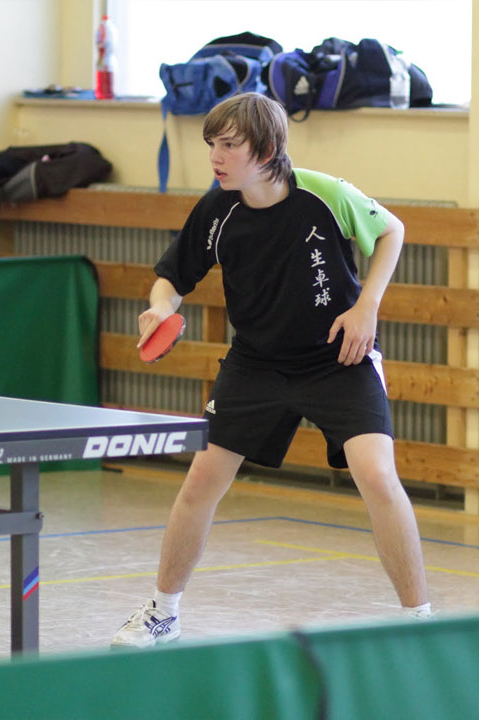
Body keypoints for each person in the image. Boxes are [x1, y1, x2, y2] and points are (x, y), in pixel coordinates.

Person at [112, 92, 430, 649]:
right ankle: (163, 613)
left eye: (228, 145)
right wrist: (161, 307)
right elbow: (172, 278)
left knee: (377, 476)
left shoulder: (324, 194)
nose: (215, 156)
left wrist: (367, 306)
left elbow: (391, 231)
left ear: (266, 149)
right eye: (211, 144)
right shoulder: (217, 210)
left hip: (337, 358)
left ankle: (419, 622)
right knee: (201, 481)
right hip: (256, 363)